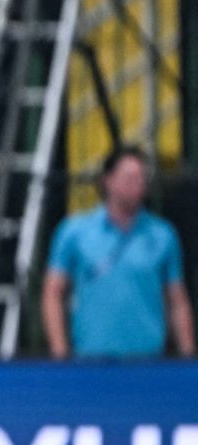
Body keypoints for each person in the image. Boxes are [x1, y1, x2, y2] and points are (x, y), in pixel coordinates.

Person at [42, 146, 195, 360]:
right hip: (90, 360)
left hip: (148, 361)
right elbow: (53, 292)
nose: (137, 184)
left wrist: (187, 355)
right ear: (108, 180)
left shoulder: (162, 235)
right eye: (129, 177)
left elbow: (177, 299)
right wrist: (60, 351)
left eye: (142, 178)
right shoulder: (74, 232)